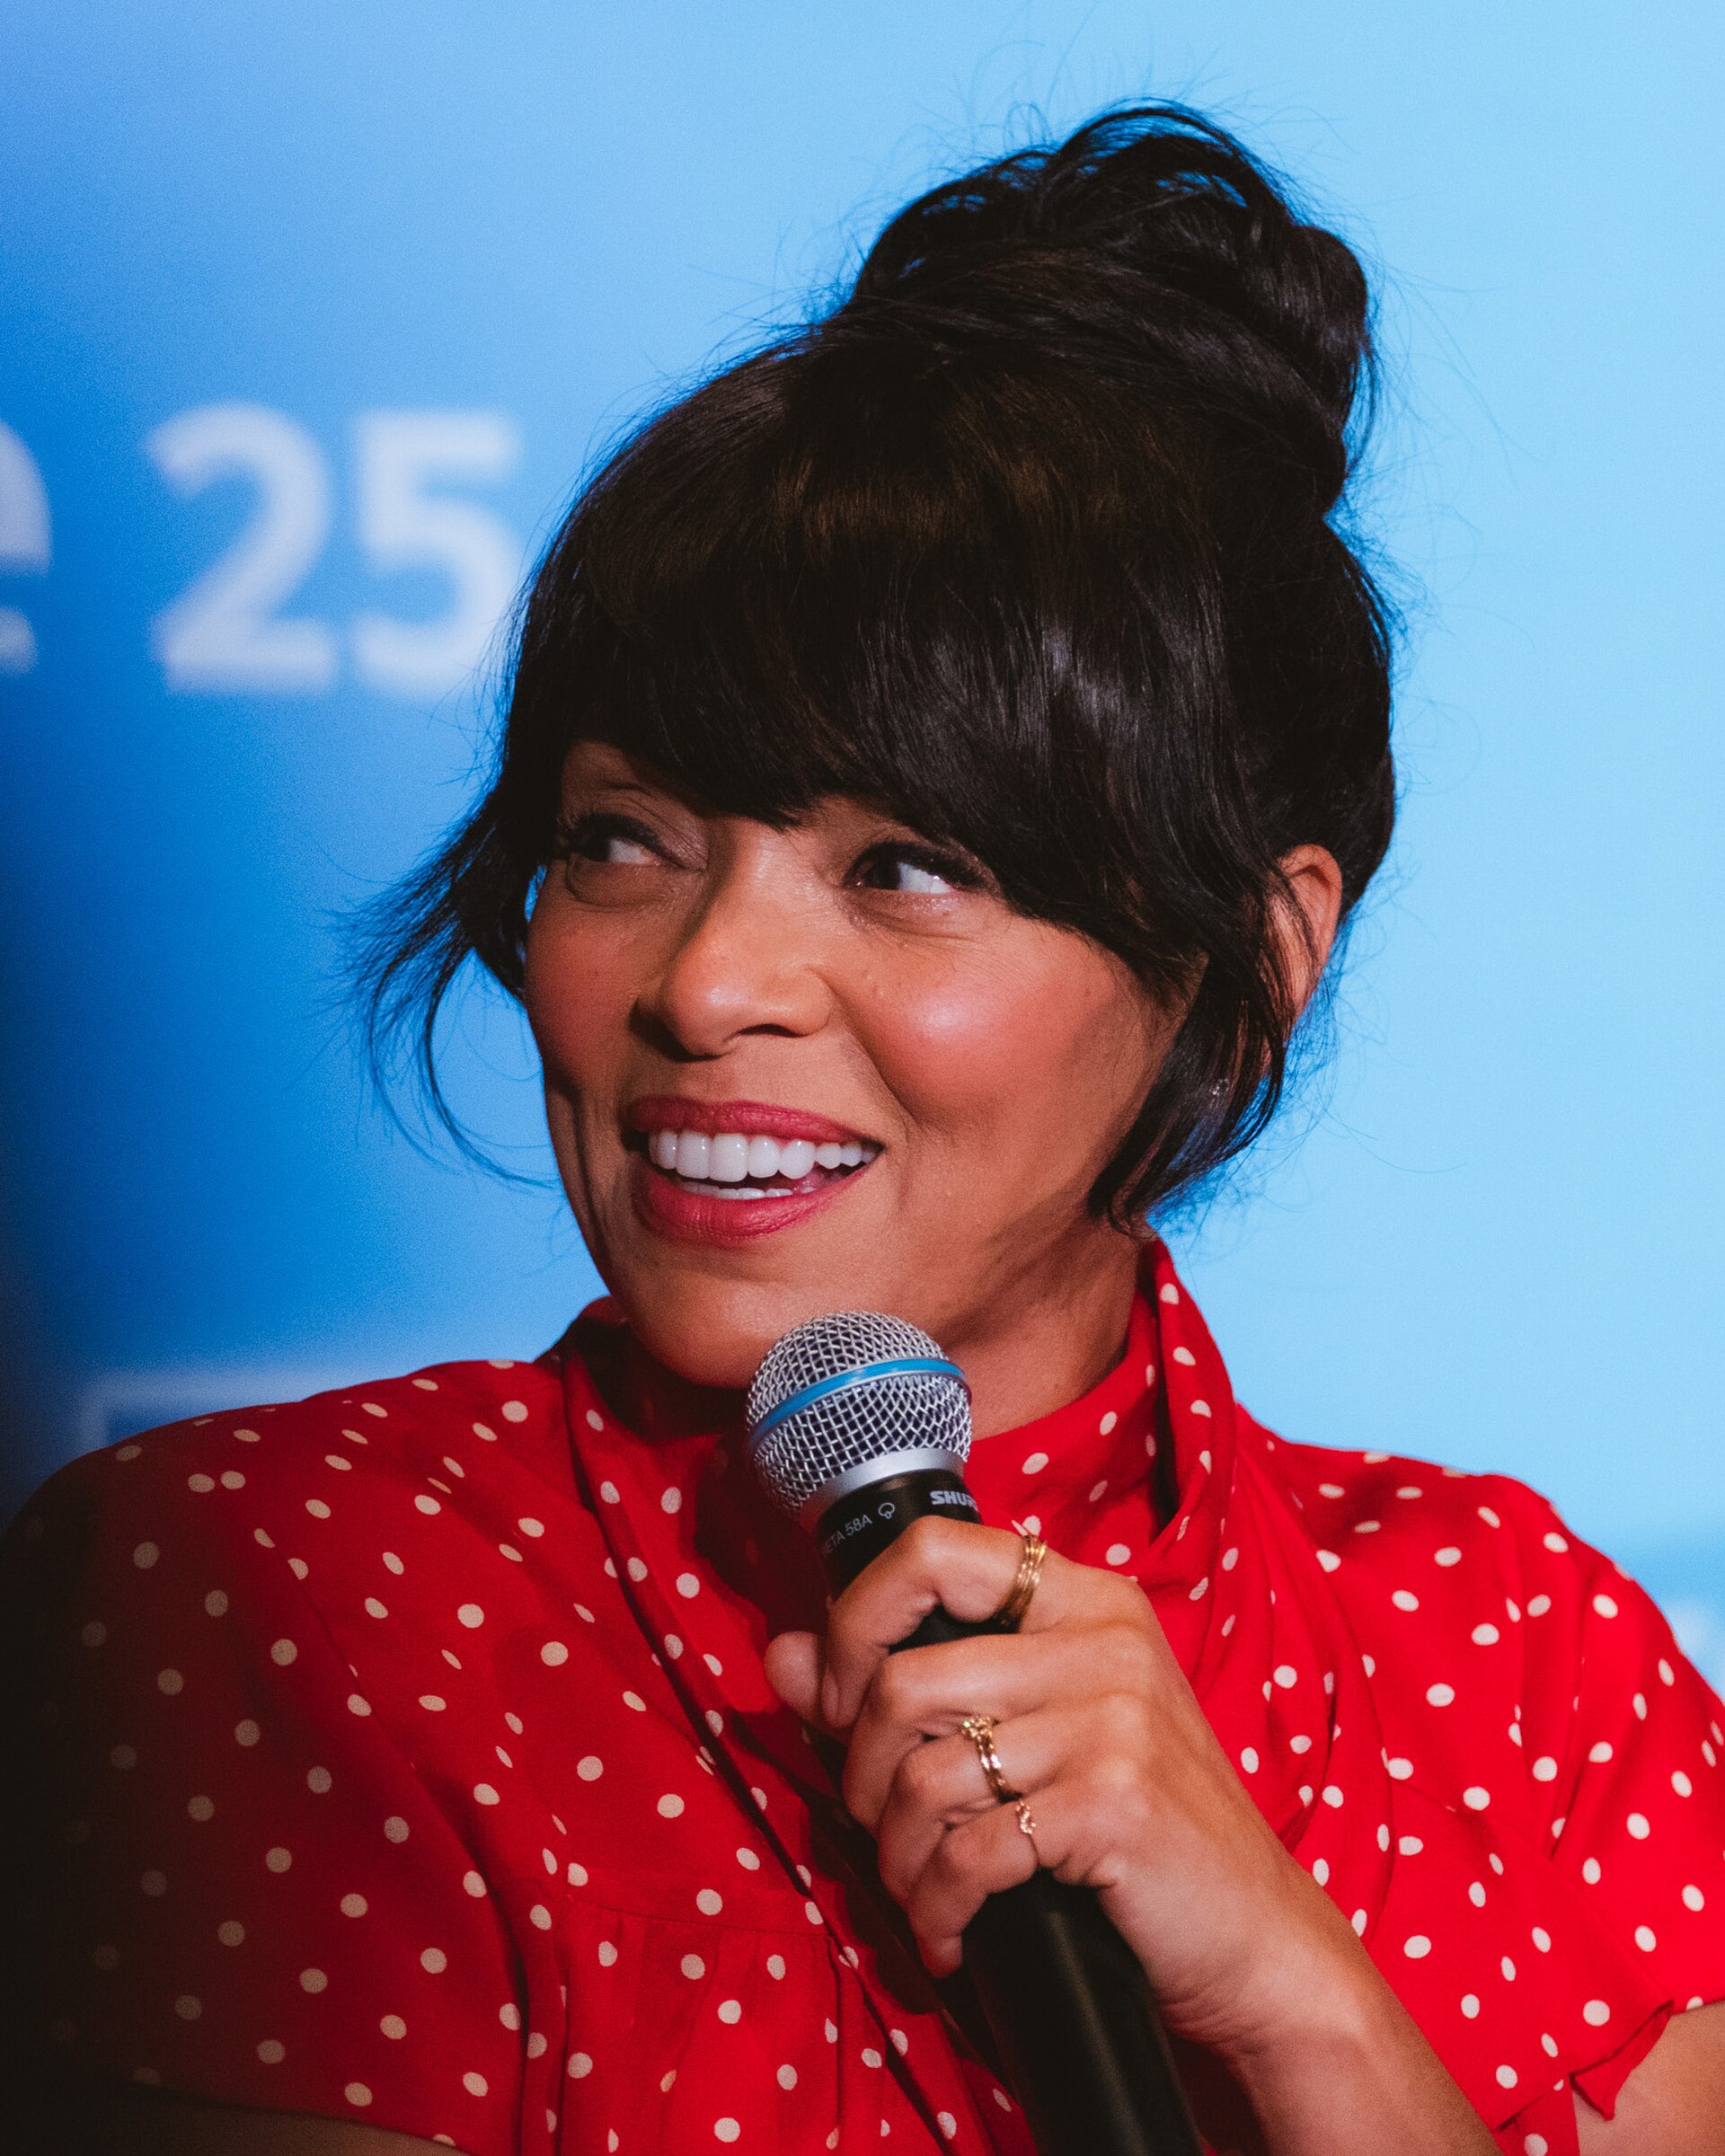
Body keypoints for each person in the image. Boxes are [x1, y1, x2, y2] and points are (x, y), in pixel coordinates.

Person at [4, 105, 1721, 2156]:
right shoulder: (275, 1603)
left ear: (1261, 951)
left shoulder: (1517, 1663)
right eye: (621, 837)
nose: (709, 982)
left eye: (906, 865)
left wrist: (1301, 2012)